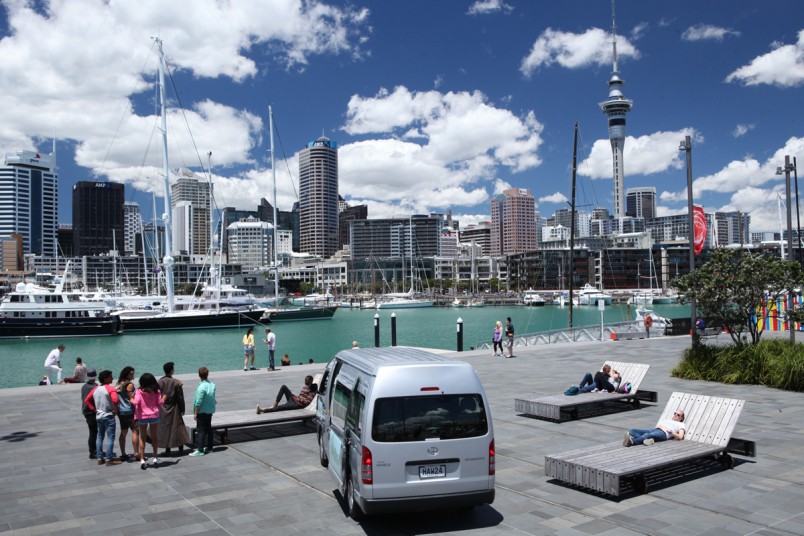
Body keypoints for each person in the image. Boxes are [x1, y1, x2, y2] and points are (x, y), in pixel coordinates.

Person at [132, 372, 165, 469]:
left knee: (142, 437)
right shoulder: (156, 391)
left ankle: (142, 459)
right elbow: (160, 402)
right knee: (154, 437)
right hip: (154, 415)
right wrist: (164, 398)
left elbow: (136, 402)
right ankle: (155, 457)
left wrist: (131, 399)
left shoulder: (138, 391)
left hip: (142, 416)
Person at [89, 370, 122, 466]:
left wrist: (94, 409)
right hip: (108, 415)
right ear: (106, 378)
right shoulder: (110, 389)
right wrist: (115, 409)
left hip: (99, 415)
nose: (112, 378)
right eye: (110, 376)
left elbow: (87, 400)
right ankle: (108, 459)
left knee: (100, 436)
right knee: (110, 437)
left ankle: (100, 458)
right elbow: (115, 399)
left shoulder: (95, 389)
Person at [157, 362, 189, 457]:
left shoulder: (160, 382)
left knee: (166, 428)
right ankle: (181, 448)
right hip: (175, 408)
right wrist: (182, 408)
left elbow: (157, 396)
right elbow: (180, 397)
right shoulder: (176, 382)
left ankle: (168, 449)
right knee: (178, 427)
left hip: (163, 408)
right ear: (171, 370)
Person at [190, 367, 216, 457]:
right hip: (210, 410)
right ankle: (210, 447)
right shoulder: (212, 385)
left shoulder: (201, 387)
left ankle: (200, 449)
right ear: (207, 374)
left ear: (199, 375)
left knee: (200, 430)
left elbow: (199, 401)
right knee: (208, 428)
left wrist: (195, 413)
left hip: (202, 411)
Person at [115, 366, 138, 462]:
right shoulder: (129, 385)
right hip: (130, 411)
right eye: (131, 373)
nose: (133, 375)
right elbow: (131, 399)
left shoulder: (118, 383)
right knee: (135, 431)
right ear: (126, 374)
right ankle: (136, 452)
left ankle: (123, 453)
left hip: (121, 411)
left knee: (123, 432)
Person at [81, 368, 98, 459]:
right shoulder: (95, 387)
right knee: (93, 432)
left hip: (85, 411)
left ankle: (93, 450)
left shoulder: (84, 386)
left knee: (92, 431)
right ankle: (93, 452)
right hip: (92, 411)